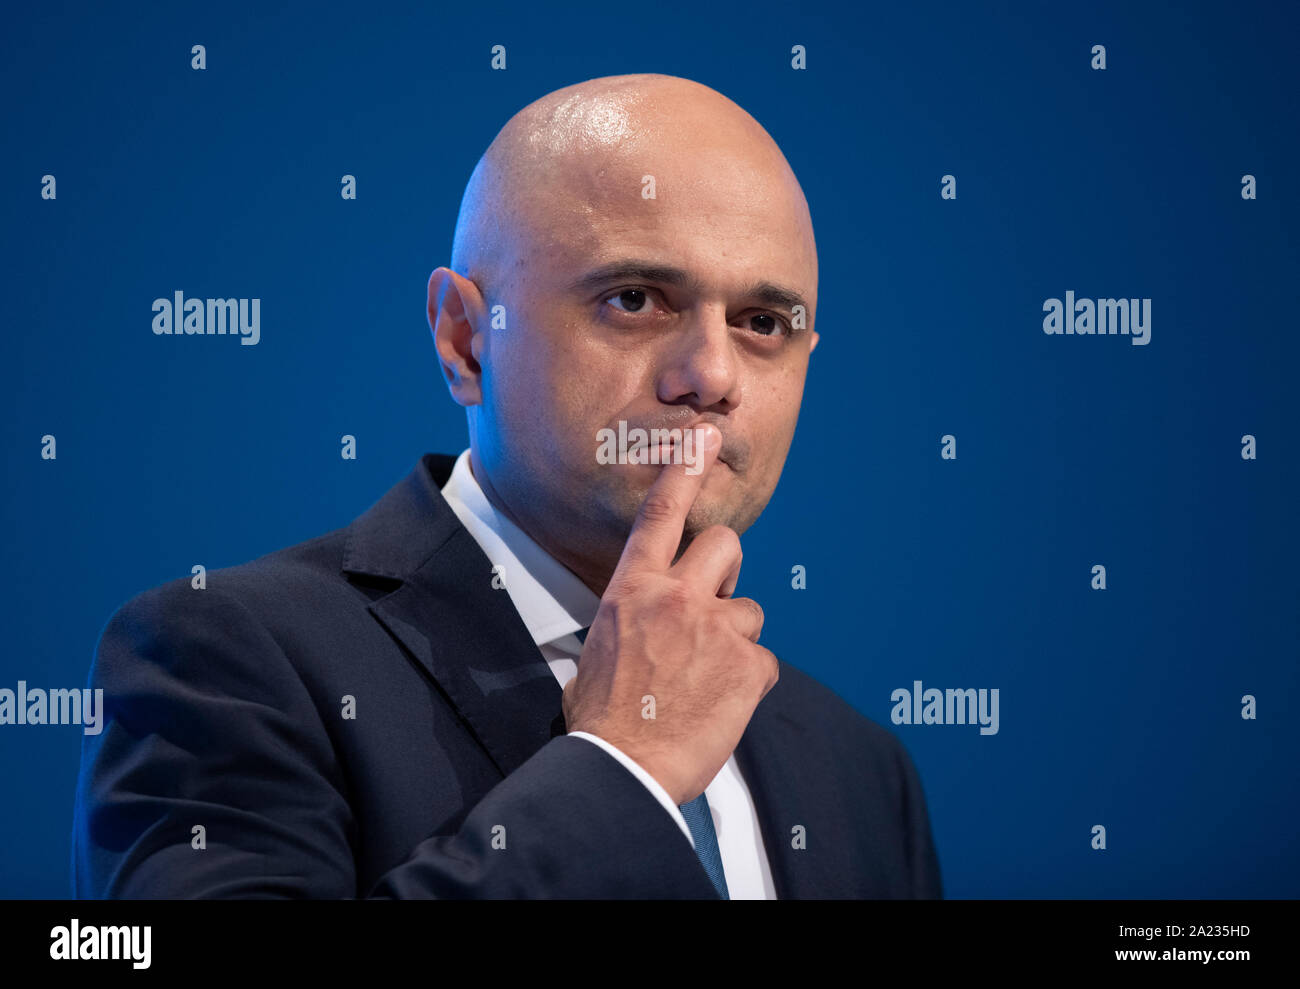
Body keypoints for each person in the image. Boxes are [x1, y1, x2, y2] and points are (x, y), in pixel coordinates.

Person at [72, 73, 942, 899]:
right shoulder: (225, 660)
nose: (713, 373)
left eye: (762, 323)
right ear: (462, 339)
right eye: (635, 299)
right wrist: (621, 764)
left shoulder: (860, 770)